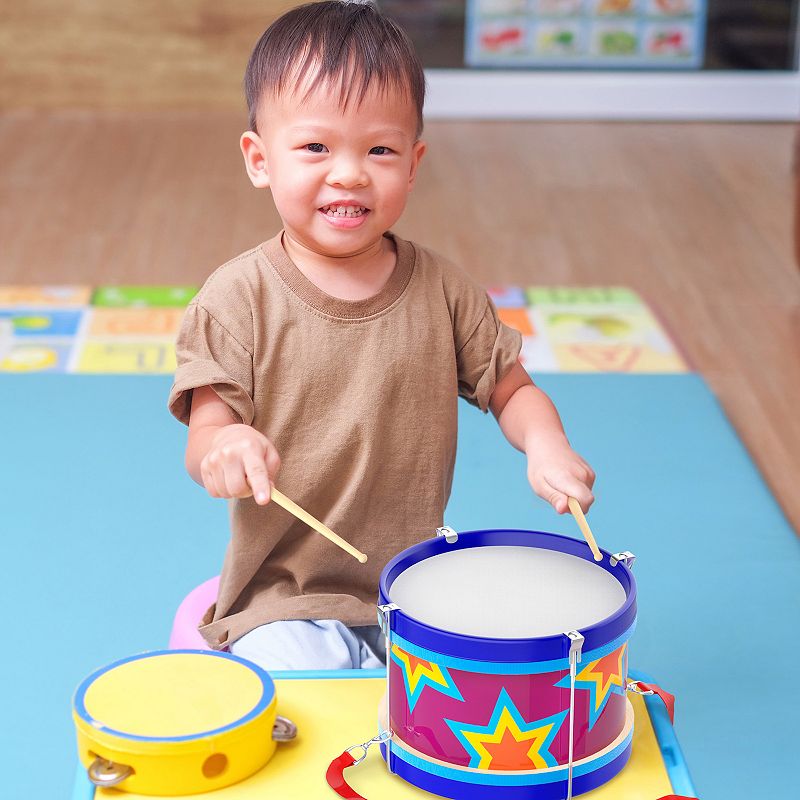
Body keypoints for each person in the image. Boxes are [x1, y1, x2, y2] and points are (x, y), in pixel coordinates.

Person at [168, 0, 595, 670]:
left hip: (412, 598)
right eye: (315, 147)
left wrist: (547, 447)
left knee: (508, 671)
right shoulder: (235, 299)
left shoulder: (444, 290)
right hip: (287, 600)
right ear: (260, 159)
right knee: (301, 686)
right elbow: (204, 441)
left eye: (380, 149)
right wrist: (225, 448)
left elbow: (514, 392)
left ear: (414, 162)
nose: (349, 172)